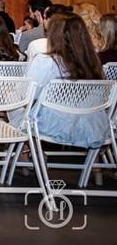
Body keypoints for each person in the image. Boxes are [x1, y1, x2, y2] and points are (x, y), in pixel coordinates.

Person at [11, 12, 111, 149]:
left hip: (53, 126)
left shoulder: (45, 62)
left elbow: (27, 95)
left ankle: (27, 150)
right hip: (90, 125)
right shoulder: (93, 62)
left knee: (15, 100)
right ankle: (94, 164)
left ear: (53, 35)